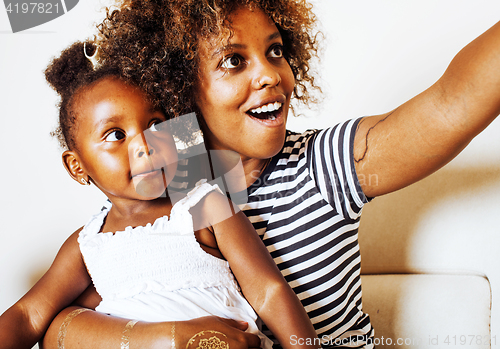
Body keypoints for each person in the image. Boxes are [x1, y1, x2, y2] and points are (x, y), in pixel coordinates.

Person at [39, 0, 500, 348]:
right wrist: (177, 335)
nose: (271, 75)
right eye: (233, 60)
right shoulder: (157, 189)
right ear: (176, 83)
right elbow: (62, 321)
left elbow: (451, 104)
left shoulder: (322, 163)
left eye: (275, 50)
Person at [0, 40, 319, 349]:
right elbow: (29, 316)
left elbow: (268, 290)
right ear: (77, 166)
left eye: (155, 123)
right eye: (115, 135)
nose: (145, 144)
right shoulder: (86, 244)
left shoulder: (203, 205)